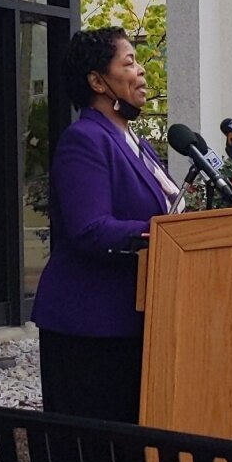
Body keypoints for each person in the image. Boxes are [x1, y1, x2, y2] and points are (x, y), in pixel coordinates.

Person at [33, 26, 179, 423]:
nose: (142, 72)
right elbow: (89, 228)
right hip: (90, 326)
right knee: (96, 460)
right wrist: (165, 235)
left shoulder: (136, 142)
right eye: (129, 62)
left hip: (131, 322)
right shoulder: (85, 139)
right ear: (97, 81)